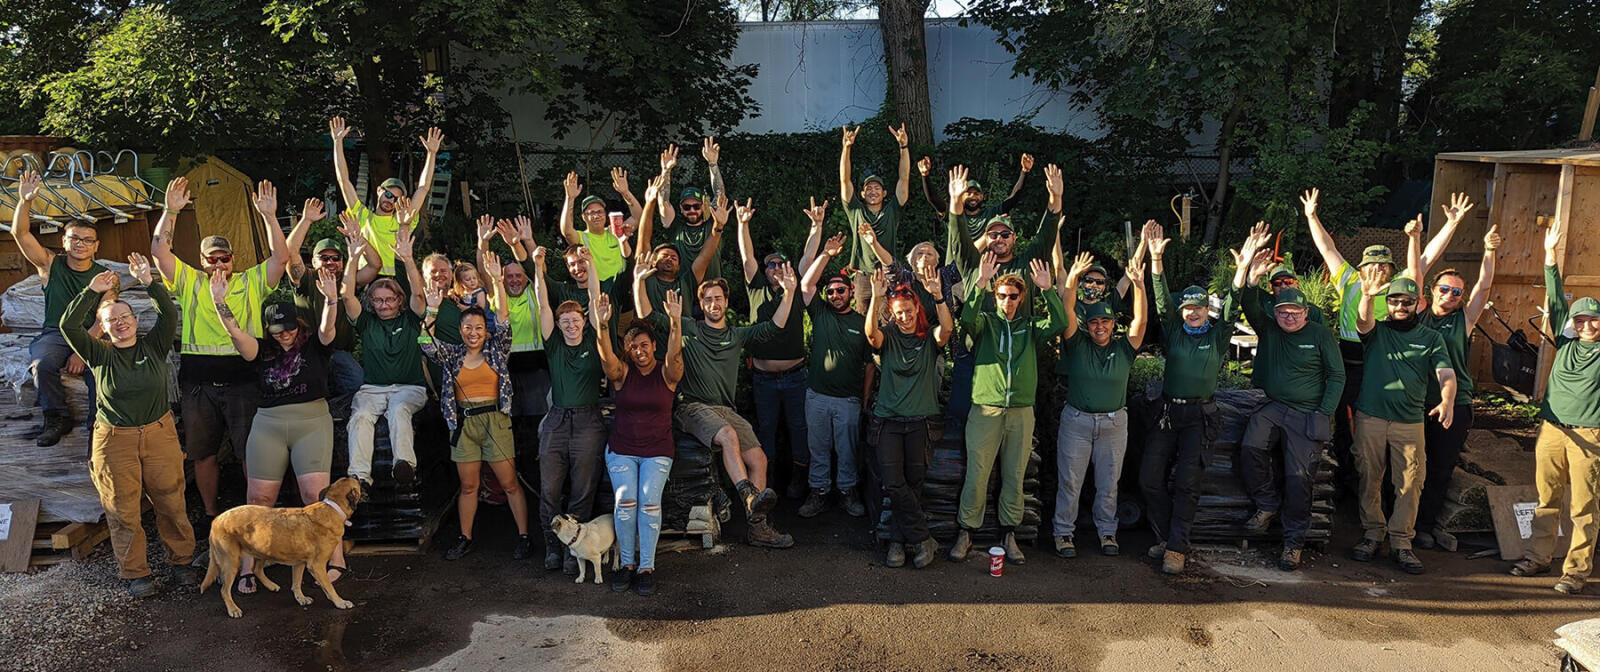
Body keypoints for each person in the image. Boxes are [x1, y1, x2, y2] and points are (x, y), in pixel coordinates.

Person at [151, 178, 289, 528]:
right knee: (203, 453)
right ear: (201, 260)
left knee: (250, 453)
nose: (218, 264)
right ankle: (211, 515)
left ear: (233, 258)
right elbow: (159, 251)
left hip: (244, 382)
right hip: (199, 385)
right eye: (211, 259)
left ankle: (254, 515)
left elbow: (281, 258)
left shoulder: (250, 281)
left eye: (223, 258)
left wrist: (270, 218)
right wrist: (170, 212)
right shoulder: (191, 281)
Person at [61, 254, 198, 597]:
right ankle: (137, 573)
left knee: (171, 501)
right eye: (112, 320)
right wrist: (94, 291)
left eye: (125, 317)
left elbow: (168, 313)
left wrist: (149, 282)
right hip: (114, 440)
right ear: (103, 328)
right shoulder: (100, 354)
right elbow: (68, 326)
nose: (120, 323)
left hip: (159, 433)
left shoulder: (154, 345)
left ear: (136, 320)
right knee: (122, 508)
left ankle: (182, 562)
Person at [639, 264, 800, 548]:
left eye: (718, 298)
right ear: (701, 305)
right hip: (692, 407)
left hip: (725, 409)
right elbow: (646, 315)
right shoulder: (689, 327)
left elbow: (775, 327)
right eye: (708, 299)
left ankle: (758, 528)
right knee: (727, 435)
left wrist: (789, 294)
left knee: (759, 459)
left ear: (726, 302)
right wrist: (638, 280)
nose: (713, 303)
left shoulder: (737, 335)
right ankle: (749, 496)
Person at [209, 269, 347, 592]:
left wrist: (331, 299)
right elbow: (234, 332)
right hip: (269, 423)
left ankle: (335, 557)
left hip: (311, 422)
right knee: (258, 498)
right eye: (277, 331)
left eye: (288, 329)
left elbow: (328, 329)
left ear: (297, 325)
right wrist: (219, 302)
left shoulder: (314, 346)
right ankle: (248, 566)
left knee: (316, 496)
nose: (284, 336)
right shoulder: (262, 350)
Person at [1137, 223, 1259, 574]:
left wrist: (1242, 269)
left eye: (1198, 308)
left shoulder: (1218, 337)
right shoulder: (1174, 332)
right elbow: (1160, 299)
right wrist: (1156, 259)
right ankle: (1163, 536)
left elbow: (1234, 305)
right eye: (1187, 308)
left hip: (1201, 416)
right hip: (1167, 413)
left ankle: (1177, 547)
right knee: (1149, 478)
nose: (1192, 313)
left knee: (1188, 483)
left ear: (1207, 310)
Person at [949, 254, 1068, 565]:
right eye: (1002, 296)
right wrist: (982, 282)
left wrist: (1047, 289)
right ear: (995, 297)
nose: (1008, 301)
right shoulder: (985, 323)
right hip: (985, 409)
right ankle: (965, 531)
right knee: (977, 474)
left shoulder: (1029, 327)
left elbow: (1059, 322)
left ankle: (1009, 534)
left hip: (1020, 411)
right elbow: (966, 320)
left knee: (1015, 475)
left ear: (1021, 297)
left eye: (1014, 296)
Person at [1238, 253, 1347, 571]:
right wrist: (1252, 278)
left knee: (1300, 480)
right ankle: (1266, 503)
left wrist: (1323, 411)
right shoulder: (1269, 328)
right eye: (1283, 311)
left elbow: (1337, 375)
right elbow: (1248, 303)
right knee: (1249, 448)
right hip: (1273, 407)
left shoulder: (1320, 334)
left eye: (1294, 312)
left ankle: (1293, 543)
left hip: (1307, 412)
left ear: (1305, 312)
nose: (1288, 317)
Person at [1510, 214, 1600, 595]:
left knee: (1584, 506)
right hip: (1551, 429)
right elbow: (1554, 292)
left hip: (1590, 435)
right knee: (1546, 498)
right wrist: (1549, 255)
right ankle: (1538, 557)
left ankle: (1575, 572)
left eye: (1593, 321)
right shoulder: (1564, 343)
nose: (1586, 326)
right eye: (1580, 320)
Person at [1348, 269, 1456, 575]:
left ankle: (1401, 542)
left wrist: (1447, 400)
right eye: (1394, 301)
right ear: (1388, 303)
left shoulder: (1432, 338)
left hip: (1410, 422)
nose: (1400, 307)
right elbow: (1362, 322)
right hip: (1371, 417)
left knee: (1410, 482)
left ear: (1418, 304)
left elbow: (1446, 374)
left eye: (1406, 302)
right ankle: (1372, 534)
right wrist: (1367, 296)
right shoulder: (1377, 332)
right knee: (1368, 475)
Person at [421, 256, 528, 561]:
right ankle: (464, 537)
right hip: (464, 424)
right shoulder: (453, 354)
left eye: (479, 327)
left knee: (509, 483)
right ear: (461, 329)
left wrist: (496, 282)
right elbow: (425, 342)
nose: (473, 332)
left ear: (485, 330)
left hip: (494, 420)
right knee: (468, 486)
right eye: (468, 327)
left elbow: (505, 321)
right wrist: (431, 308)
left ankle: (523, 535)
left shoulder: (497, 349)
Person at [1052, 248, 1147, 559]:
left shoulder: (1124, 349)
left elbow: (1141, 322)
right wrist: (1073, 278)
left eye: (1106, 321)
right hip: (1077, 421)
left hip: (1113, 423)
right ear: (1088, 325)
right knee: (1070, 481)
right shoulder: (1077, 344)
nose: (1100, 326)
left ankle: (1107, 532)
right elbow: (1067, 310)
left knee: (1109, 483)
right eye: (1095, 322)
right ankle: (1063, 533)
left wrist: (1140, 287)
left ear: (1112, 324)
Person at [1416, 196, 1495, 553]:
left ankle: (1425, 526)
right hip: (1417, 401)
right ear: (1432, 291)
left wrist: (1489, 252)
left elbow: (1484, 289)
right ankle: (1395, 524)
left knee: (1439, 468)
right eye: (1444, 288)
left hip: (1456, 403)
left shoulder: (1462, 320)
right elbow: (1417, 270)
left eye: (1456, 292)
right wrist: (1430, 233)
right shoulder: (1418, 314)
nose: (1450, 295)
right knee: (1409, 466)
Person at [595, 291, 685, 596]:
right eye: (633, 347)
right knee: (626, 501)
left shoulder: (666, 372)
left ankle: (647, 566)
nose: (638, 351)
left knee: (648, 501)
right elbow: (608, 361)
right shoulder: (623, 374)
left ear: (653, 346)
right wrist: (602, 326)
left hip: (657, 449)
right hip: (622, 448)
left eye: (644, 345)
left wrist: (675, 322)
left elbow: (675, 356)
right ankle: (627, 564)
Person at [864, 265, 954, 568]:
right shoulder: (888, 336)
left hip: (921, 422)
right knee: (893, 483)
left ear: (917, 308)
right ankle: (922, 538)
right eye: (898, 312)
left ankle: (897, 544)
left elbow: (949, 330)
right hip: (888, 421)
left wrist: (938, 296)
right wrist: (876, 299)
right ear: (892, 313)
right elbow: (870, 336)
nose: (904, 316)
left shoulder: (929, 338)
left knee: (914, 484)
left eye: (908, 310)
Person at [11, 169, 109, 446]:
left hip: (91, 334)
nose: (80, 244)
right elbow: (20, 233)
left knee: (99, 371)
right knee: (41, 364)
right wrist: (25, 200)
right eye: (74, 238)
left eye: (87, 240)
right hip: (55, 333)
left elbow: (104, 317)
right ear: (64, 241)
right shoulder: (50, 264)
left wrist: (82, 349)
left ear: (96, 246)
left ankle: (98, 425)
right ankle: (56, 417)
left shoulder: (104, 276)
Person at [528, 247, 610, 573]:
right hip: (558, 418)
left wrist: (590, 264)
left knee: (583, 489)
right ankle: (552, 546)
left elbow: (594, 298)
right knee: (550, 488)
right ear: (559, 325)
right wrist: (537, 265)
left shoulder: (592, 339)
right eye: (566, 322)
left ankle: (571, 549)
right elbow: (542, 303)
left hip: (589, 418)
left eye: (576, 320)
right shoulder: (554, 343)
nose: (571, 325)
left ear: (583, 322)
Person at [737, 197, 821, 504]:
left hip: (796, 376)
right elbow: (747, 256)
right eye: (770, 263)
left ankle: (800, 480)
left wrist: (817, 226)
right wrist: (742, 224)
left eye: (780, 264)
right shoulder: (756, 288)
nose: (775, 268)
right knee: (766, 430)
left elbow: (809, 258)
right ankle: (767, 483)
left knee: (800, 428)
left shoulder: (795, 291)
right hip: (764, 379)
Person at [340, 214, 430, 488]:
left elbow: (419, 295)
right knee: (360, 417)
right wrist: (354, 255)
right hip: (373, 389)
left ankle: (404, 465)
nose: (383, 304)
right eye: (377, 300)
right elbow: (346, 295)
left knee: (399, 409)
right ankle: (359, 477)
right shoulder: (367, 323)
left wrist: (408, 260)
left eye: (389, 299)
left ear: (398, 300)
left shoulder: (411, 320)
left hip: (410, 388)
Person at [798, 226, 873, 522]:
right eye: (830, 291)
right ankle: (818, 492)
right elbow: (805, 285)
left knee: (847, 450)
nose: (835, 294)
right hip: (816, 396)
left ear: (851, 292)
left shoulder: (862, 323)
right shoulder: (820, 313)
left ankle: (846, 492)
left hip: (848, 400)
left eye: (841, 290)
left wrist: (864, 400)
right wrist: (826, 254)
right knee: (818, 448)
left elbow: (869, 365)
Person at [283, 198, 379, 397]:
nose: (330, 262)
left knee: (359, 388)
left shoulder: (348, 280)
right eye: (324, 258)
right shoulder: (306, 279)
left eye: (336, 258)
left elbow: (374, 265)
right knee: (308, 395)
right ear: (313, 260)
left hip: (340, 353)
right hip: (308, 353)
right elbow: (290, 252)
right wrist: (306, 221)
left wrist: (358, 235)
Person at [330, 116, 443, 276]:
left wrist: (431, 154)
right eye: (388, 194)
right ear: (378, 191)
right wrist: (337, 143)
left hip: (396, 282)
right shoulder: (362, 216)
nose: (391, 200)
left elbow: (423, 188)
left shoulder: (404, 220)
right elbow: (344, 180)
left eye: (396, 199)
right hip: (368, 279)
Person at [946, 164, 1063, 314]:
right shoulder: (973, 266)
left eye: (1005, 235)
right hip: (982, 337)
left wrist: (1056, 197)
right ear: (986, 238)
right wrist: (955, 200)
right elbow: (958, 234)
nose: (999, 239)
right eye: (993, 235)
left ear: (1014, 238)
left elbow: (1047, 232)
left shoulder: (1027, 264)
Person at [631, 180, 723, 320]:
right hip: (651, 336)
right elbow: (643, 240)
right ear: (653, 261)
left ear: (679, 266)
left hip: (681, 335)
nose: (669, 259)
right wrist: (650, 202)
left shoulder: (685, 283)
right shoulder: (646, 278)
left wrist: (718, 227)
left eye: (674, 258)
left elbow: (705, 257)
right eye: (664, 256)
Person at [839, 124, 911, 298]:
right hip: (863, 276)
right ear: (862, 194)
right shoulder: (855, 210)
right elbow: (845, 180)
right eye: (868, 188)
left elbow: (904, 178)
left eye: (877, 188)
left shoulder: (892, 210)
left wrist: (903, 147)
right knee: (864, 321)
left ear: (884, 193)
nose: (873, 191)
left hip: (889, 273)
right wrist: (846, 148)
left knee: (889, 320)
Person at [652, 139, 728, 280]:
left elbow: (720, 195)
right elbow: (663, 202)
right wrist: (666, 171)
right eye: (687, 207)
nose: (692, 210)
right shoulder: (675, 227)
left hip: (711, 292)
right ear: (680, 208)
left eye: (696, 206)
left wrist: (713, 164)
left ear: (703, 206)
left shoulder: (714, 225)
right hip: (682, 293)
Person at [916, 153, 1031, 223]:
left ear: (982, 196)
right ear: (961, 196)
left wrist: (1024, 172)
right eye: (968, 193)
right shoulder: (954, 214)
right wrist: (925, 175)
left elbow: (1014, 198)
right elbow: (933, 199)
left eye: (976, 193)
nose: (973, 197)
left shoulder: (991, 214)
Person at [558, 171, 627, 283]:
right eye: (591, 213)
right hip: (596, 288)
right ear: (583, 217)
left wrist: (625, 192)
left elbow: (638, 218)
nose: (596, 216)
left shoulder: (614, 231)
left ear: (605, 214)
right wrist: (570, 198)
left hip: (620, 290)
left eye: (600, 212)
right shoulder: (582, 237)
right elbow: (567, 231)